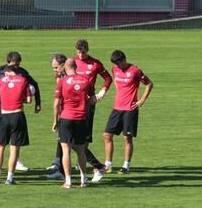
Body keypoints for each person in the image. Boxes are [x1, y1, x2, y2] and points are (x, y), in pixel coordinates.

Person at [0, 51, 41, 172]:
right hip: (2, 107)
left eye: (17, 65)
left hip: (16, 108)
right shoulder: (0, 71)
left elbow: (35, 85)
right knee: (0, 136)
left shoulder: (22, 72)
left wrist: (38, 103)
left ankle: (16, 161)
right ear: (8, 62)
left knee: (15, 137)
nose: (15, 67)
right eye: (13, 65)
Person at [104, 50, 153, 174]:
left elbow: (149, 84)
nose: (117, 66)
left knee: (127, 138)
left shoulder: (135, 70)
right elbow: (115, 79)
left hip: (130, 110)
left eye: (118, 64)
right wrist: (119, 90)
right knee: (107, 135)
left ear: (124, 60)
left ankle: (126, 166)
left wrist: (142, 100)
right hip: (117, 108)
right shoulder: (115, 69)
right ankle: (108, 164)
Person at [53, 58, 95, 188]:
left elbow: (56, 104)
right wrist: (83, 105)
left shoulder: (63, 81)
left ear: (65, 67)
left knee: (66, 151)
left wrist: (55, 121)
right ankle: (84, 180)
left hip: (66, 118)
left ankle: (68, 181)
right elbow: (93, 99)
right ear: (76, 67)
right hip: (81, 118)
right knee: (81, 150)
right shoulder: (85, 81)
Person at [0, 65, 32, 185]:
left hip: (4, 116)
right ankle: (10, 178)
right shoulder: (23, 80)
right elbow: (29, 100)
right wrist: (19, 99)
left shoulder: (1, 81)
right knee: (14, 148)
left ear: (7, 73)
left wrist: (4, 98)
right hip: (17, 115)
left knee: (1, 146)